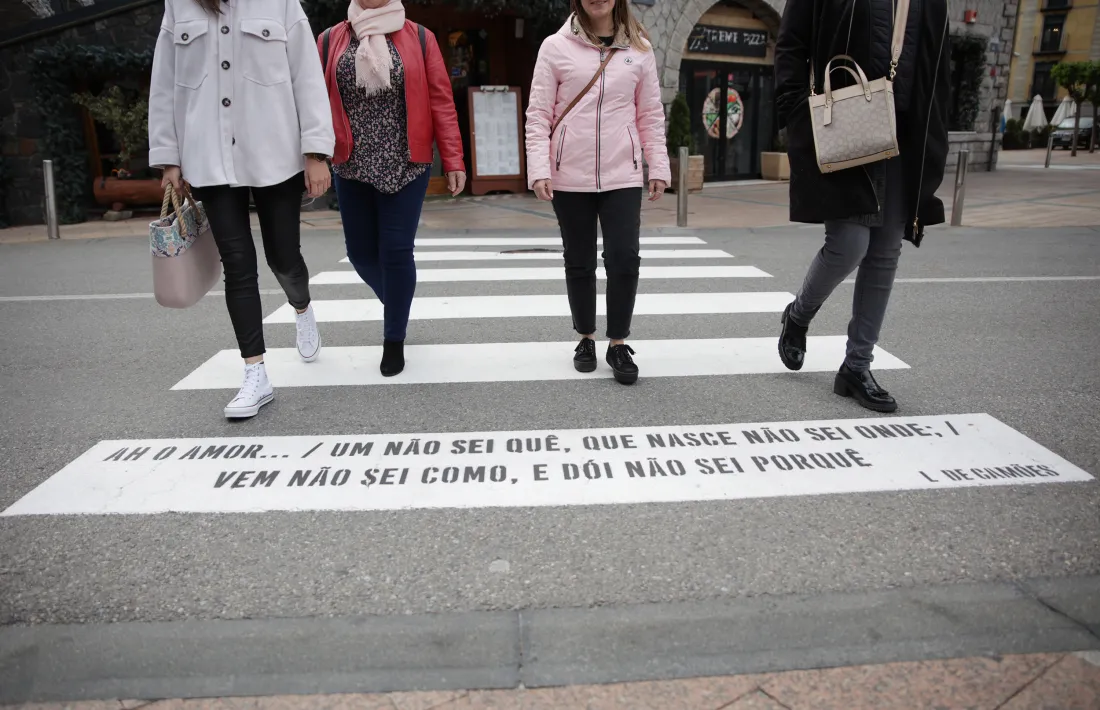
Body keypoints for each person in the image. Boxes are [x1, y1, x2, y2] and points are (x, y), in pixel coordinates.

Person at [148, 0, 335, 419]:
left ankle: (301, 306)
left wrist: (316, 151)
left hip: (277, 151)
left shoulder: (281, 2)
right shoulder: (178, 5)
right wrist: (169, 157)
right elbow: (164, 82)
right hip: (208, 155)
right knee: (238, 264)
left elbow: (306, 75)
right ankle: (256, 373)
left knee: (283, 256)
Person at [773, 0, 950, 412]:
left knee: (886, 251)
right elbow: (791, 44)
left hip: (907, 131)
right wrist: (797, 112)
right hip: (849, 120)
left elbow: (937, 64)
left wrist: (936, 132)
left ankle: (856, 366)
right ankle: (798, 315)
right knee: (849, 244)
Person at [525, 0, 670, 386]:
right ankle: (586, 337)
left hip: (623, 173)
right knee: (579, 258)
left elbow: (650, 113)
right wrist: (539, 167)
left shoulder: (639, 49)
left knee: (624, 257)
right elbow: (538, 112)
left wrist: (659, 165)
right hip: (568, 173)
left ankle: (618, 342)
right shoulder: (554, 47)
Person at [318, 0, 465, 377]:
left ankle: (393, 338)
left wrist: (453, 160)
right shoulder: (330, 40)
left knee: (397, 251)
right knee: (361, 254)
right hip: (350, 163)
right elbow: (315, 104)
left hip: (406, 160)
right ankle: (398, 301)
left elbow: (441, 103)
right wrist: (313, 156)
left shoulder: (419, 37)